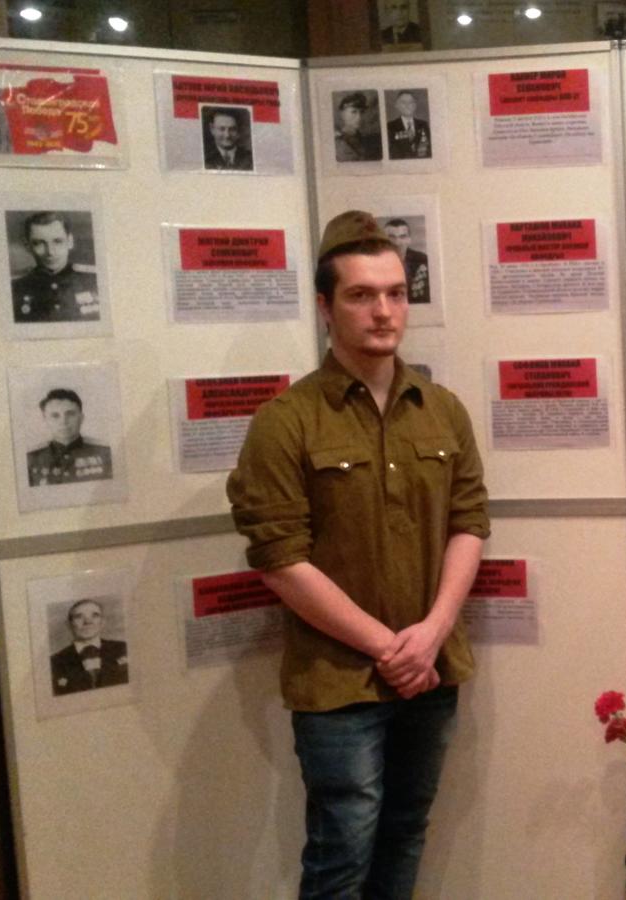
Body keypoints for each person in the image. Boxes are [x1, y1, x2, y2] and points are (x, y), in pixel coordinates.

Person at [228, 210, 489, 899]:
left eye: (396, 293)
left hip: (430, 671)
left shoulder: (443, 410)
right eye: (361, 295)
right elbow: (281, 559)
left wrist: (430, 636)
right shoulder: (285, 422)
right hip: (339, 683)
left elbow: (469, 523)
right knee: (341, 854)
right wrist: (388, 647)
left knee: (405, 833)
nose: (383, 311)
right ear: (325, 306)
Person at [11, 211, 100, 323]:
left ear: (70, 241)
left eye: (58, 241)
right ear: (28, 246)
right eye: (39, 243)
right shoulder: (14, 289)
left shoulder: (95, 280)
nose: (50, 252)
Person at [26, 388, 114, 486]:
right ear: (45, 420)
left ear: (81, 418)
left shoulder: (105, 453)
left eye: (70, 414)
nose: (63, 422)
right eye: (55, 416)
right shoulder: (31, 458)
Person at [49, 599, 129, 695]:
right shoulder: (54, 662)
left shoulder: (124, 648)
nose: (88, 622)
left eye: (95, 615)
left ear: (103, 622)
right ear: (69, 624)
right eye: (79, 617)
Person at [383, 217, 431, 304]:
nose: (397, 242)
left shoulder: (423, 260)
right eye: (391, 237)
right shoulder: (374, 262)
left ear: (409, 239)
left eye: (402, 237)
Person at [333, 92, 382, 162]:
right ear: (342, 114)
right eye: (354, 112)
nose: (359, 117)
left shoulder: (365, 139)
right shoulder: (338, 142)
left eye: (362, 112)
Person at [203, 106, 253, 172]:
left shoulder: (250, 158)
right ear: (212, 129)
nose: (227, 135)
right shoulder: (204, 157)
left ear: (238, 131)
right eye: (222, 129)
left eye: (232, 129)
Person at [386, 91, 432, 160]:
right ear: (397, 105)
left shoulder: (423, 124)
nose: (407, 105)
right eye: (403, 102)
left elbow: (429, 148)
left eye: (411, 102)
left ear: (415, 106)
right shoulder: (390, 126)